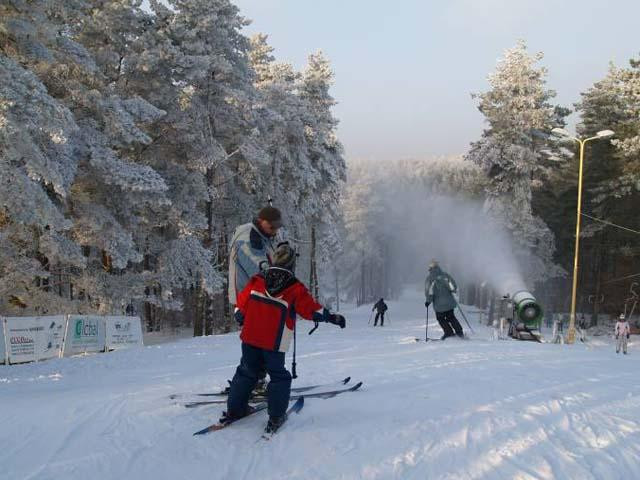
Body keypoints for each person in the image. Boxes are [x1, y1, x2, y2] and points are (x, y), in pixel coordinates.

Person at [225, 243, 346, 433]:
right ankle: (276, 417)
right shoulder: (295, 288)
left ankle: (235, 410)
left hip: (250, 337)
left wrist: (239, 313)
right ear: (291, 263)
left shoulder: (258, 279)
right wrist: (332, 317)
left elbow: (242, 302)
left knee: (246, 372)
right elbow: (311, 310)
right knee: (279, 377)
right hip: (274, 342)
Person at [228, 206, 283, 392]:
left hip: (255, 298)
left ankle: (253, 381)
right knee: (257, 343)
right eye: (272, 227)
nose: (275, 231)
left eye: (277, 227)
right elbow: (261, 269)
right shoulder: (248, 240)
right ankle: (249, 383)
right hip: (250, 300)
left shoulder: (257, 234)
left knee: (258, 342)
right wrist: (281, 269)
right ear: (261, 221)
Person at [424, 260, 464, 339]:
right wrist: (451, 290)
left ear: (430, 268)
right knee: (451, 317)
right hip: (449, 303)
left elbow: (429, 292)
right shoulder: (445, 275)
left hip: (439, 305)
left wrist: (428, 301)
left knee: (440, 318)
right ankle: (459, 332)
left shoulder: (429, 279)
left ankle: (449, 333)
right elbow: (453, 287)